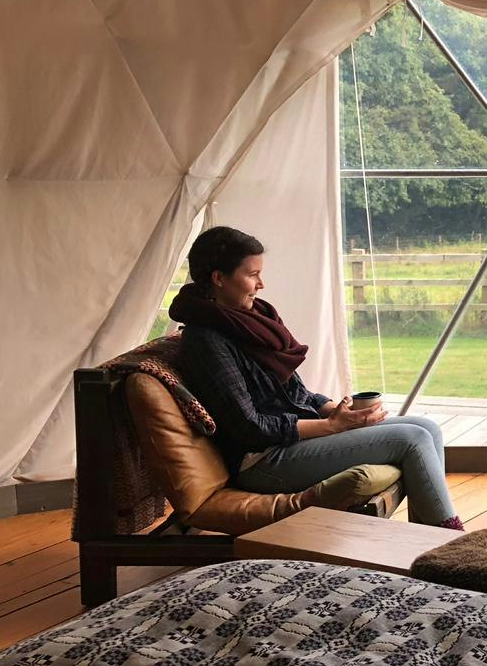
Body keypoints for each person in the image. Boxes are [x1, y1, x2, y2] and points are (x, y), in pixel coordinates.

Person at [172, 226, 462, 529]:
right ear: (218, 278)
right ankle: (450, 542)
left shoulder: (251, 321)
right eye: (252, 274)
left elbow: (295, 392)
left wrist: (336, 412)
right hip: (262, 461)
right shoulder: (206, 340)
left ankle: (427, 537)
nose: (261, 284)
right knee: (412, 438)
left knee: (427, 427)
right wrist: (328, 427)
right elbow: (249, 426)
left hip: (291, 443)